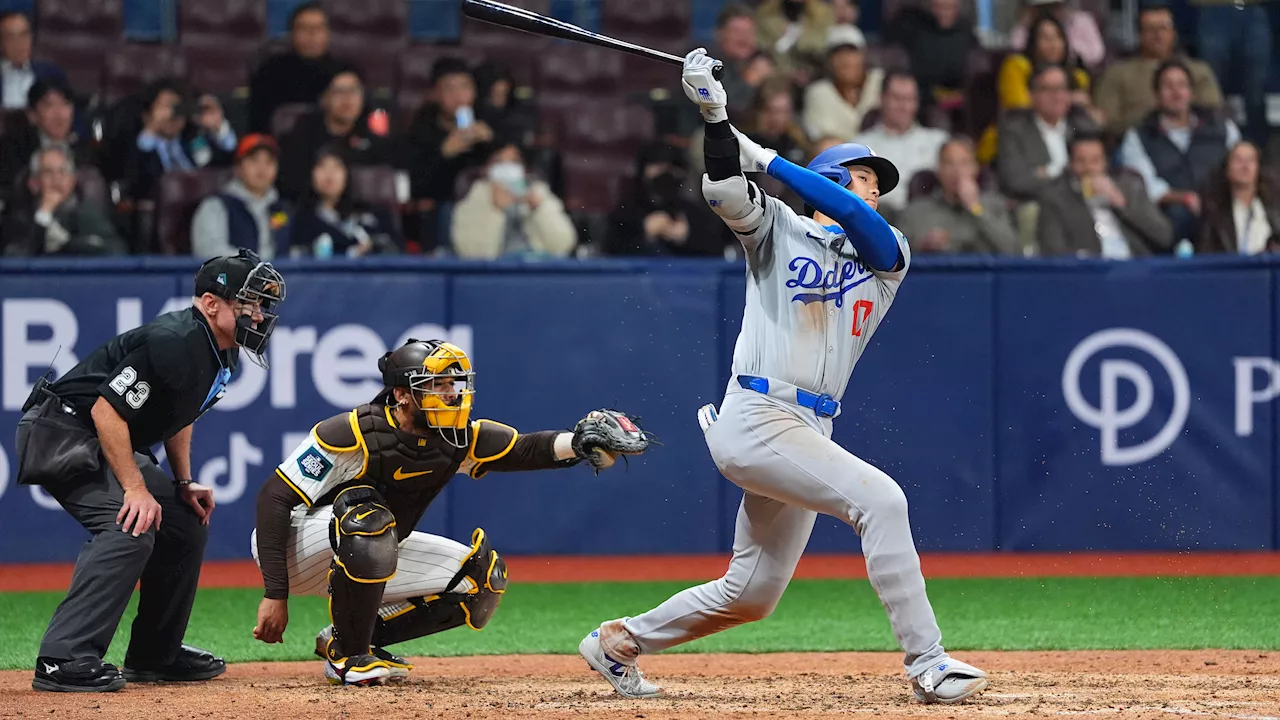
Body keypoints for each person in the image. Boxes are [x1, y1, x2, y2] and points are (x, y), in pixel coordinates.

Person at [577, 47, 989, 706]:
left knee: (753, 594)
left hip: (807, 426)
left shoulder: (888, 256)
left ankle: (619, 639)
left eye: (878, 184)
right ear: (825, 181)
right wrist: (715, 120)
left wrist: (767, 157)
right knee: (881, 501)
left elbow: (855, 220)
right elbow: (725, 189)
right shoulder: (780, 229)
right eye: (861, 178)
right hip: (758, 415)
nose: (874, 191)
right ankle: (928, 662)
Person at [250, 339, 649, 685]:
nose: (451, 394)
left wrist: (579, 443)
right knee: (370, 520)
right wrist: (275, 592)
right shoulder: (351, 432)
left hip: (368, 546)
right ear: (403, 394)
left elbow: (524, 448)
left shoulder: (456, 438)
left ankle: (349, 637)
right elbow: (273, 498)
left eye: (453, 385)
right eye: (436, 386)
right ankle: (349, 659)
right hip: (297, 547)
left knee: (479, 581)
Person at [13, 250, 285, 692]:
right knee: (130, 524)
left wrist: (181, 482)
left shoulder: (223, 354)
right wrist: (136, 488)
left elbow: (180, 412)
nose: (259, 314)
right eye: (248, 303)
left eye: (262, 305)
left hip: (97, 436)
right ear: (211, 303)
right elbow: (106, 412)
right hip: (63, 432)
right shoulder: (175, 339)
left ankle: (154, 655)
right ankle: (61, 659)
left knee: (184, 522)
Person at [1118, 59, 1240, 243]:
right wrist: (1184, 198)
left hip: (1222, 207)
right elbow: (1145, 185)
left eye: (1182, 85)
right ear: (1156, 95)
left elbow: (1242, 164)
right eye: (1168, 86)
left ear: (1191, 93)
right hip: (1169, 216)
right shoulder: (1138, 136)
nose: (1176, 93)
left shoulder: (1222, 128)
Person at [1093, 3, 1222, 137]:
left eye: (1163, 28)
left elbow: (1213, 112)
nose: (1158, 35)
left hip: (1195, 142)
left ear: (1174, 33)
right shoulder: (1117, 74)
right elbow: (1107, 122)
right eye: (1150, 29)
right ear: (1139, 35)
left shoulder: (1199, 71)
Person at [1037, 131, 1174, 257]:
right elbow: (1053, 250)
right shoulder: (1055, 197)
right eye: (1081, 161)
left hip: (1134, 269)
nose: (1089, 168)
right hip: (1090, 273)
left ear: (1106, 162)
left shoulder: (1129, 186)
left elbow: (1164, 236)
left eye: (1095, 160)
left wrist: (1121, 203)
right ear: (1070, 164)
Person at [277, 64, 393, 202]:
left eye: (354, 90)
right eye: (339, 91)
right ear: (324, 99)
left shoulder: (373, 132)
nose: (347, 98)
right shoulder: (304, 134)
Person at [449, 141, 577, 259]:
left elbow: (563, 245)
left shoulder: (538, 192)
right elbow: (470, 253)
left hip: (536, 269)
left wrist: (538, 210)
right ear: (487, 169)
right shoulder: (475, 195)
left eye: (514, 162)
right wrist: (495, 210)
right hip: (493, 273)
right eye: (499, 162)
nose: (507, 168)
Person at [898, 138, 1021, 255]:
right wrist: (922, 247)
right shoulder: (916, 211)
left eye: (964, 163)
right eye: (949, 163)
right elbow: (897, 258)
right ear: (939, 170)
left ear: (975, 168)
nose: (957, 171)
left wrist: (975, 207)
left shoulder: (995, 206)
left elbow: (1013, 251)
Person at [1, 144, 127, 257]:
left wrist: (67, 245)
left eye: (63, 171)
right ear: (34, 183)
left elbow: (117, 250)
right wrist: (43, 216)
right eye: (48, 172)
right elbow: (15, 256)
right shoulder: (21, 215)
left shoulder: (86, 213)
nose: (57, 179)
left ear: (72, 181)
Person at [852, 72, 949, 216]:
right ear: (882, 99)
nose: (903, 106)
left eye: (909, 99)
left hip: (926, 219)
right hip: (879, 219)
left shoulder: (938, 142)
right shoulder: (860, 146)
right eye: (897, 98)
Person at [124, 79, 236, 201]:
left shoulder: (193, 139)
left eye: (178, 109)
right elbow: (139, 181)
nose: (173, 115)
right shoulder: (137, 145)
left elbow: (228, 164)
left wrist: (218, 127)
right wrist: (151, 129)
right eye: (164, 108)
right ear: (147, 115)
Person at [606, 143, 724, 256]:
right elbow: (610, 253)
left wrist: (686, 237)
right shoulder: (625, 213)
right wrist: (645, 233)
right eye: (658, 165)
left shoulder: (695, 213)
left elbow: (717, 252)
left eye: (672, 167)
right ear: (642, 171)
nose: (665, 172)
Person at [248, 2, 344, 134]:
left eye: (318, 28)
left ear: (327, 33)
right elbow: (258, 124)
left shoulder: (344, 73)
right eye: (304, 28)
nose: (312, 35)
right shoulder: (271, 72)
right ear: (292, 34)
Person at [191, 134, 291, 260]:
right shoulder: (215, 206)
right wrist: (253, 265)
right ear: (238, 167)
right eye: (254, 160)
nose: (262, 168)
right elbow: (208, 251)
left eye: (269, 161)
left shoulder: (283, 209)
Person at [291, 144, 401, 257]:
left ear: (347, 174)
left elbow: (395, 250)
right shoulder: (300, 220)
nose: (329, 174)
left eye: (336, 167)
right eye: (322, 166)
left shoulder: (374, 215)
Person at [0, 77, 92, 203]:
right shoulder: (13, 149)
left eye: (65, 104)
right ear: (32, 115)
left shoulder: (86, 150)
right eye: (50, 105)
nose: (59, 114)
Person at [802, 25, 883, 142]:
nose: (845, 60)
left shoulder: (880, 82)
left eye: (851, 52)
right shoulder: (817, 93)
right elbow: (819, 139)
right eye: (838, 54)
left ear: (862, 56)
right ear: (829, 61)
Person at [1197, 140, 1280, 254]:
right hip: (1232, 270)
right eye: (1238, 160)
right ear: (1227, 167)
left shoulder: (1275, 208)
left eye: (1250, 160)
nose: (1245, 166)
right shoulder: (1214, 212)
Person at [1008, 0, 1106, 70]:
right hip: (1037, 72)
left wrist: (1066, 49)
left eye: (1054, 6)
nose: (1049, 12)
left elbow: (1097, 53)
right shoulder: (1028, 25)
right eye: (1043, 8)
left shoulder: (1082, 20)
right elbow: (1016, 48)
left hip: (1075, 70)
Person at [0, 10, 68, 110]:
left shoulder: (52, 74)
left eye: (24, 34)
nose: (19, 43)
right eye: (11, 37)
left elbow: (72, 117)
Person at [754, 0, 835, 82]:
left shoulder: (823, 15)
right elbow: (762, 48)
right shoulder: (765, 15)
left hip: (814, 75)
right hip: (776, 77)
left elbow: (819, 47)